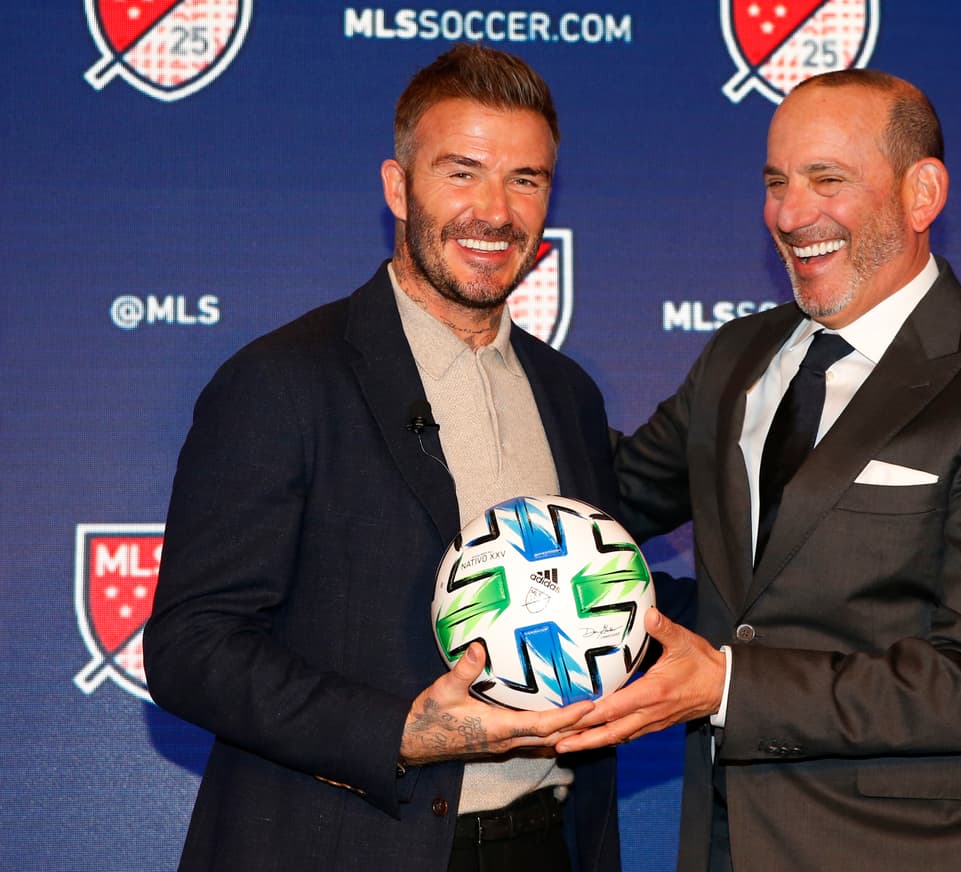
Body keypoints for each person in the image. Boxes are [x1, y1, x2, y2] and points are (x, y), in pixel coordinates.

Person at [557, 69, 961, 871]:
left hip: (905, 851)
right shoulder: (739, 356)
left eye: (826, 181)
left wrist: (729, 687)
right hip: (726, 841)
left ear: (923, 193)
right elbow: (609, 496)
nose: (790, 213)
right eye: (776, 182)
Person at [145, 44, 622, 872]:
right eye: (462, 172)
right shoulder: (280, 382)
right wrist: (401, 732)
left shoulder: (569, 393)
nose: (495, 211)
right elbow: (191, 646)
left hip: (546, 844)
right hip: (344, 845)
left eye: (525, 179)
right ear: (399, 187)